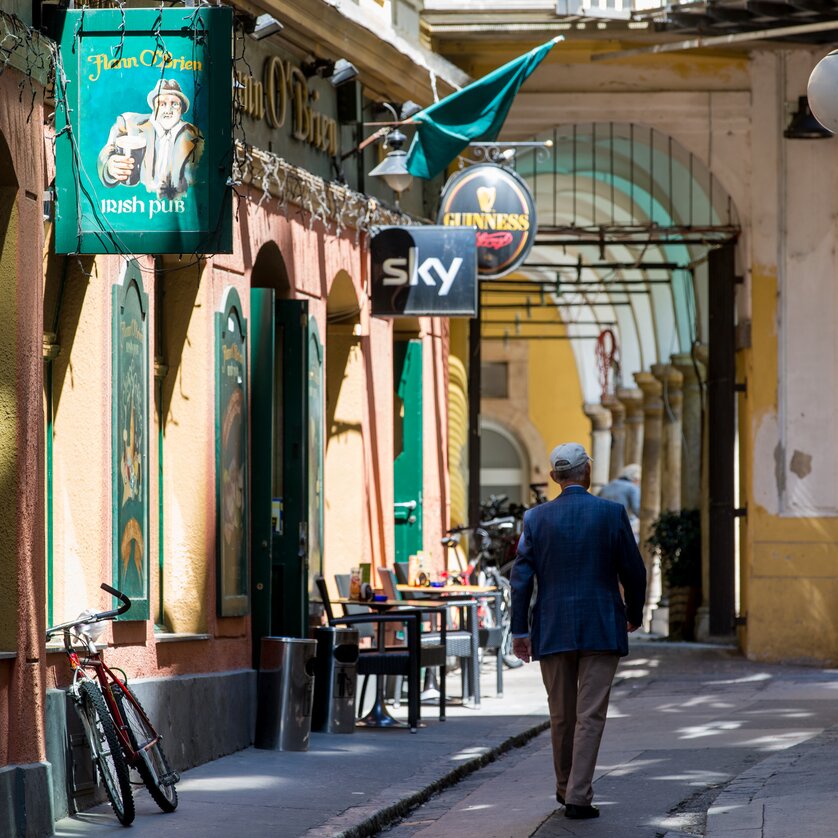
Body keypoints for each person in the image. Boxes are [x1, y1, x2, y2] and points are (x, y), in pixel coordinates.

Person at [510, 442, 646, 820]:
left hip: (552, 628)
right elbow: (634, 570)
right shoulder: (612, 513)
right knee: (591, 715)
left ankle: (565, 787)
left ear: (554, 478)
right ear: (587, 471)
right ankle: (578, 795)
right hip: (602, 624)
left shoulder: (535, 519)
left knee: (561, 714)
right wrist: (633, 613)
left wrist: (520, 630)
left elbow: (520, 579)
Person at [97, 79, 204, 200]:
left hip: (173, 205)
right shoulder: (130, 123)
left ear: (182, 108)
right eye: (162, 103)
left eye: (174, 104)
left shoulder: (194, 136)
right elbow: (106, 152)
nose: (168, 110)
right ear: (153, 106)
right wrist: (109, 167)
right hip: (134, 205)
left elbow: (200, 179)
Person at [598, 463, 641, 541]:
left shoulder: (607, 486)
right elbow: (637, 510)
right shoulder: (632, 488)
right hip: (623, 527)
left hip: (603, 526)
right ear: (635, 478)